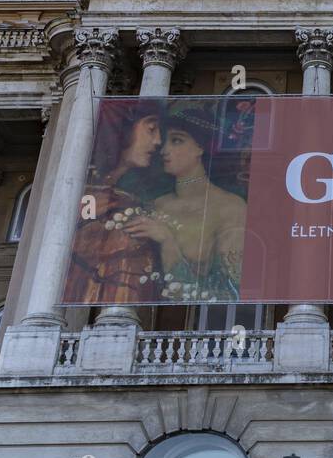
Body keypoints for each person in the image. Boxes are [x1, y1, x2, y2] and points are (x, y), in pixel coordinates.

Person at [118, 101, 247, 303]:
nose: (164, 150)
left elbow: (229, 294)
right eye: (164, 142)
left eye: (177, 141)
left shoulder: (230, 208)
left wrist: (168, 241)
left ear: (200, 147)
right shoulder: (153, 205)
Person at [64, 102, 165, 305]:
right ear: (123, 128)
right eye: (151, 129)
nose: (158, 141)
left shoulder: (124, 198)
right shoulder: (88, 193)